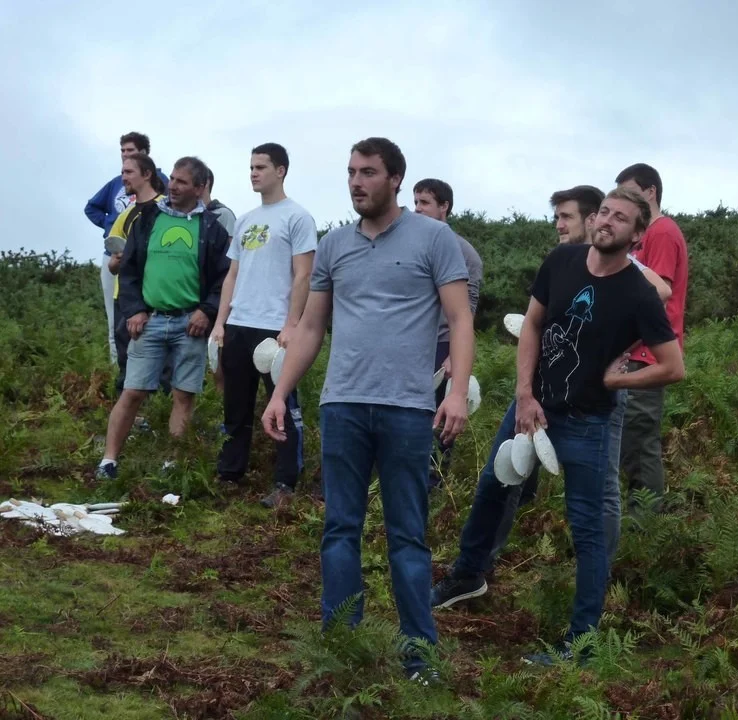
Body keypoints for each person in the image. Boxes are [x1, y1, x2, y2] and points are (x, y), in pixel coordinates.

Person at [430, 187, 684, 666]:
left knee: (587, 528)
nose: (607, 221)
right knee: (492, 487)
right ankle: (467, 575)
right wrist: (524, 395)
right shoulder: (561, 261)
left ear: (637, 235)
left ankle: (581, 645)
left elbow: (673, 366)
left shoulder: (638, 293)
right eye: (604, 211)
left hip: (589, 421)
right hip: (532, 407)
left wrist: (616, 379)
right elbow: (532, 325)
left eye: (621, 217)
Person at [261, 137, 474, 684]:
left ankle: (418, 657)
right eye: (352, 172)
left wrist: (455, 392)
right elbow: (312, 326)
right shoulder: (334, 245)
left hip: (408, 408)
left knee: (408, 536)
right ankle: (342, 648)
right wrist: (281, 392)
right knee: (339, 529)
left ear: (395, 178)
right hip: (343, 406)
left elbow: (460, 318)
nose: (356, 182)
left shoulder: (434, 239)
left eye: (369, 172)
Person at [486, 185, 672, 572]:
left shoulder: (623, 266)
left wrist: (615, 347)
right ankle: (485, 561)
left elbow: (661, 291)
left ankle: (596, 572)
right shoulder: (567, 262)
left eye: (566, 217)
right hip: (545, 384)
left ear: (589, 221)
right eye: (556, 217)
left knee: (600, 490)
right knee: (511, 467)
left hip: (592, 396)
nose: (559, 225)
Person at [95, 157, 230, 480]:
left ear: (199, 187)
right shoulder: (147, 219)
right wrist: (134, 310)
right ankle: (108, 462)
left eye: (182, 182)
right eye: (172, 179)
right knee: (132, 391)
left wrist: (207, 311)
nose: (173, 186)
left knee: (184, 395)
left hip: (191, 324)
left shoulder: (212, 228)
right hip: (150, 320)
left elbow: (224, 278)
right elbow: (128, 269)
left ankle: (171, 465)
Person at [212, 143, 316, 508]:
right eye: (251, 167)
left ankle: (285, 483)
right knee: (235, 406)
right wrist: (220, 322)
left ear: (280, 170)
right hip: (239, 323)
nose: (254, 173)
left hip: (275, 328)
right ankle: (229, 475)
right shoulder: (245, 219)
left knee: (282, 404)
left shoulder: (298, 217)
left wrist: (292, 324)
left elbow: (303, 275)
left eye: (261, 167)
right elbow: (232, 275)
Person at [616, 164, 689, 513]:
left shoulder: (661, 231)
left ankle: (645, 524)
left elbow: (657, 294)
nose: (624, 201)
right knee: (629, 440)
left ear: (650, 192)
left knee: (640, 441)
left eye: (630, 193)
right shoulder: (645, 235)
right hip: (636, 351)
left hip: (648, 352)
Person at [412, 177, 483, 490]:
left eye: (425, 203)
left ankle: (434, 482)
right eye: (415, 202)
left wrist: (456, 354)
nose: (418, 209)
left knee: (439, 415)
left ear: (444, 207)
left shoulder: (464, 253)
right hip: (410, 342)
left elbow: (468, 309)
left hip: (442, 342)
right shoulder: (409, 243)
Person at [84, 132, 168, 366]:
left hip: (155, 286)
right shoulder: (119, 193)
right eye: (122, 151)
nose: (124, 156)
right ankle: (118, 372)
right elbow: (91, 207)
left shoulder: (164, 198)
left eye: (130, 151)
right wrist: (109, 224)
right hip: (123, 282)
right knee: (118, 328)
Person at [105, 153, 168, 396]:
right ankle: (130, 416)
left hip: (155, 297)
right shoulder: (126, 214)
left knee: (161, 365)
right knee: (126, 362)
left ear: (147, 174)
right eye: (122, 172)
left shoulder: (166, 208)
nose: (123, 178)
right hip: (124, 298)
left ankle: (158, 414)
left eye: (129, 172)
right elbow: (113, 264)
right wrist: (117, 262)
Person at [200, 166, 237, 396]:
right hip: (197, 296)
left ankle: (222, 405)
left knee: (219, 358)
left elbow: (231, 260)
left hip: (219, 295)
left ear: (204, 184)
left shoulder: (223, 214)